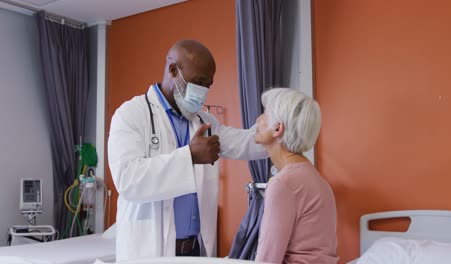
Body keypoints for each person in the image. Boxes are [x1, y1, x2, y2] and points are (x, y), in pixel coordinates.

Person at [107, 39, 266, 261]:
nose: (202, 92)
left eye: (207, 85)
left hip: (194, 250)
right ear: (173, 70)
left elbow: (244, 143)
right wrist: (189, 156)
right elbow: (127, 179)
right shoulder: (131, 115)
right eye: (197, 82)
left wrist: (275, 129)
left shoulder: (204, 121)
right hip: (150, 250)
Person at [254, 88, 338, 264]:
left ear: (278, 128)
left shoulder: (283, 184)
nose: (258, 120)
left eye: (264, 114)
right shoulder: (313, 177)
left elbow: (267, 260)